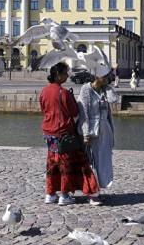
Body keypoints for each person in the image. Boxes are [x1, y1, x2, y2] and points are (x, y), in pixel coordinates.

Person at [40, 62, 100, 206]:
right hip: (64, 134)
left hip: (49, 133)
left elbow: (43, 110)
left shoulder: (44, 91)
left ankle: (50, 193)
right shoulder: (63, 93)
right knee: (66, 165)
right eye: (66, 73)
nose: (68, 75)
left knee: (52, 164)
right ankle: (64, 195)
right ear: (58, 75)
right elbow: (74, 112)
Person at [78, 68, 116, 192]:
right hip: (92, 133)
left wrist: (108, 87)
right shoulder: (86, 90)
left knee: (103, 163)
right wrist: (85, 134)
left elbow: (114, 99)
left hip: (105, 132)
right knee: (92, 162)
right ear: (96, 75)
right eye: (104, 76)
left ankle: (97, 188)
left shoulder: (105, 90)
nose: (107, 78)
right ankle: (91, 191)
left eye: (108, 76)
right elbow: (84, 114)